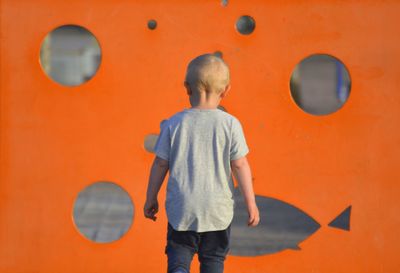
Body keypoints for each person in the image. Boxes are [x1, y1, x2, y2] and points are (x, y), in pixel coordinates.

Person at [144, 53, 260, 273]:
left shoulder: (174, 123)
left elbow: (160, 164)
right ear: (226, 90)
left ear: (187, 88)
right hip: (217, 210)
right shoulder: (230, 124)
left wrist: (151, 197)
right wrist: (251, 203)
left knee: (179, 251)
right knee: (213, 258)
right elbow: (240, 165)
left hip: (183, 208)